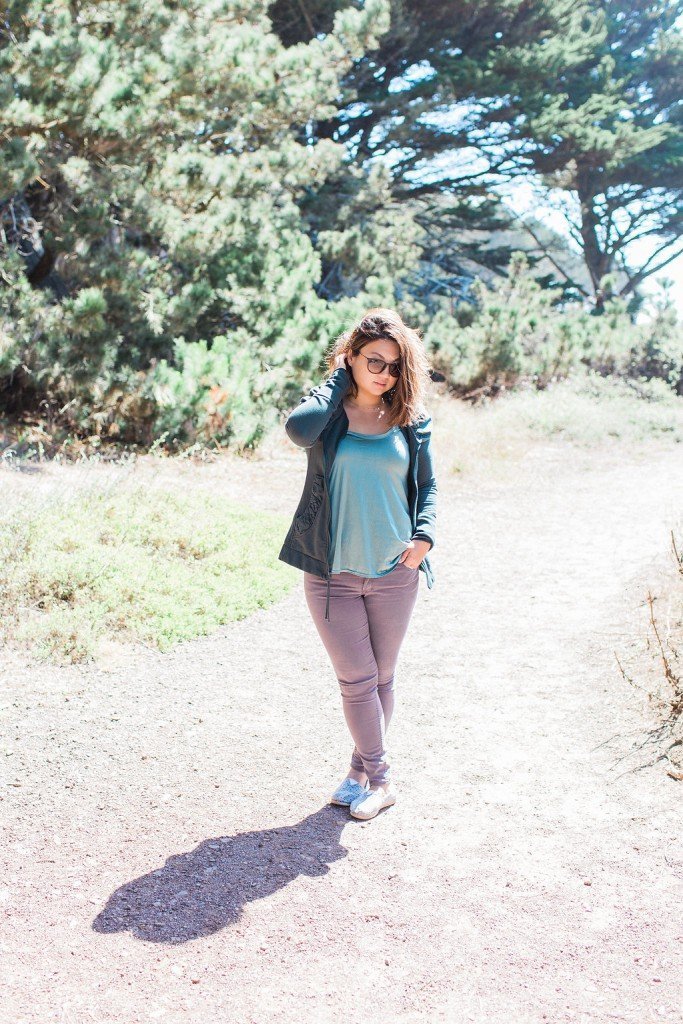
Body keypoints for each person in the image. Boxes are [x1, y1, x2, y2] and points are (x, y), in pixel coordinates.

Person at [278, 308, 437, 820]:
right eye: (372, 361)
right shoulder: (327, 416)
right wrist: (337, 380)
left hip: (395, 573)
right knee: (357, 679)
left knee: (381, 679)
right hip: (333, 575)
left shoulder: (409, 421)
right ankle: (383, 780)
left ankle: (357, 775)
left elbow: (427, 486)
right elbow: (296, 429)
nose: (383, 374)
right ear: (350, 358)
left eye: (393, 366)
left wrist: (424, 537)